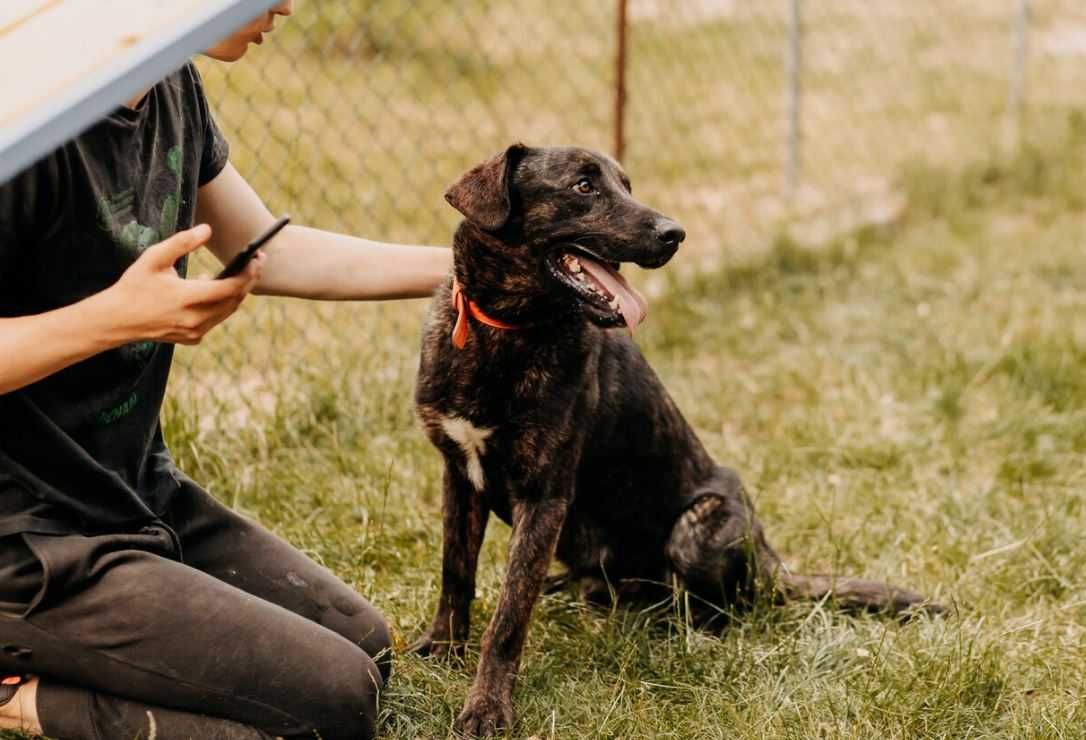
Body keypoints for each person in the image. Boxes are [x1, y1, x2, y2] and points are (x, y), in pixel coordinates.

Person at [0, 2, 451, 738]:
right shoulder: (24, 116)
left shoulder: (166, 82)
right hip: (29, 544)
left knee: (365, 644)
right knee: (334, 702)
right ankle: (21, 700)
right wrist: (115, 318)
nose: (285, 6)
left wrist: (473, 267)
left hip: (131, 495)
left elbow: (272, 249)